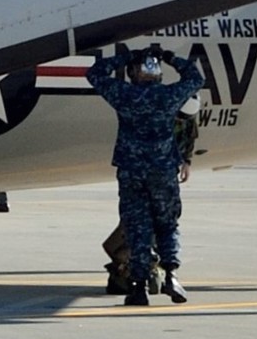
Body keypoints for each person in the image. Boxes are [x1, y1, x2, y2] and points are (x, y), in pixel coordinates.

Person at [87, 44, 206, 307]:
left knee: (137, 228)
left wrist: (127, 57)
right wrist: (170, 58)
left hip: (132, 171)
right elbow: (197, 79)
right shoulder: (169, 96)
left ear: (133, 74)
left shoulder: (124, 95)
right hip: (162, 170)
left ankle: (138, 286)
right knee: (167, 224)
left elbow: (95, 73)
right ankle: (171, 275)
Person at [104, 114, 197, 296]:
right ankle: (164, 275)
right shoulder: (167, 110)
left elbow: (189, 141)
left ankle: (141, 284)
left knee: (142, 229)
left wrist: (186, 162)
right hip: (160, 177)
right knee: (163, 228)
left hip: (142, 176)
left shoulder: (170, 113)